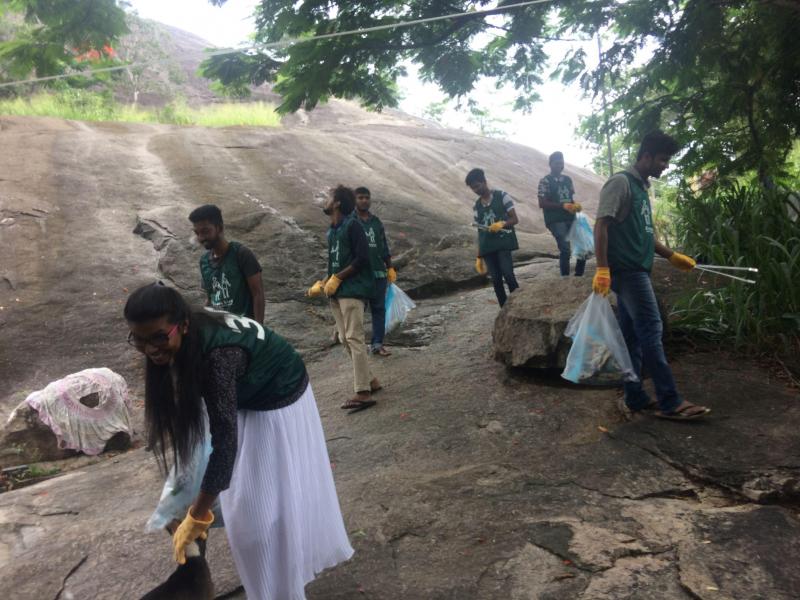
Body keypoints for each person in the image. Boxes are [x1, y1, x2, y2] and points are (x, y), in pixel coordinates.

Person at [124, 283, 353, 599]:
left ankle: (281, 592)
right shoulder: (186, 341)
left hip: (277, 396)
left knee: (255, 526)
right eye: (140, 340)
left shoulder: (218, 357)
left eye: (159, 337)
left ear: (183, 325)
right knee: (226, 499)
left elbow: (224, 444)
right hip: (243, 390)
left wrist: (197, 515)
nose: (150, 349)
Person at [592, 131, 710, 421]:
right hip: (628, 273)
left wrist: (672, 256)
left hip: (636, 269)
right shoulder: (620, 183)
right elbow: (601, 226)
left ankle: (635, 397)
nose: (665, 166)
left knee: (632, 336)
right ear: (646, 156)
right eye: (662, 160)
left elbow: (646, 237)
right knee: (651, 331)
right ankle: (670, 400)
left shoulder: (641, 188)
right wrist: (602, 268)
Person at [307, 185, 381, 412]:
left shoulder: (353, 225)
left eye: (328, 197)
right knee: (344, 338)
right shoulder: (333, 230)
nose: (325, 200)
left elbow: (362, 259)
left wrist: (337, 278)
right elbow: (337, 262)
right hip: (337, 292)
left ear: (337, 203)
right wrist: (324, 282)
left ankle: (363, 393)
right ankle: (371, 381)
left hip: (352, 291)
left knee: (354, 338)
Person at [189, 204, 265, 324]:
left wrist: (259, 330)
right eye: (197, 233)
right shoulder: (204, 261)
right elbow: (211, 298)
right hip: (221, 330)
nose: (201, 237)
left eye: (205, 231)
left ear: (219, 228)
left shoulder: (241, 254)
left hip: (244, 328)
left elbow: (258, 294)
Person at [466, 168, 520, 306]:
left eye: (477, 186)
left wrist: (502, 223)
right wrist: (479, 255)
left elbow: (514, 219)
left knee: (508, 274)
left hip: (503, 243)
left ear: (484, 182)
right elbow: (480, 231)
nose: (476, 190)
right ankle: (504, 310)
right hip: (488, 247)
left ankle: (518, 304)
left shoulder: (502, 196)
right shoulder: (476, 207)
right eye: (473, 189)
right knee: (495, 279)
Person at [355, 186, 397, 356]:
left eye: (367, 197)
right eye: (360, 198)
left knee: (379, 309)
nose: (364, 200)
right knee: (357, 310)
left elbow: (383, 245)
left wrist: (390, 266)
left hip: (378, 272)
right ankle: (356, 345)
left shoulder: (376, 222)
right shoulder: (351, 221)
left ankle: (377, 344)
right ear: (354, 200)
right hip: (359, 274)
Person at [537, 151, 586, 277]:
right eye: (557, 163)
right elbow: (542, 203)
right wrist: (562, 205)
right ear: (551, 164)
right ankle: (565, 278)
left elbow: (569, 199)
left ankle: (578, 276)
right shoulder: (545, 181)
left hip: (570, 216)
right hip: (555, 219)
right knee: (565, 248)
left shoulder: (568, 180)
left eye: (562, 163)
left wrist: (575, 205)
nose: (560, 165)